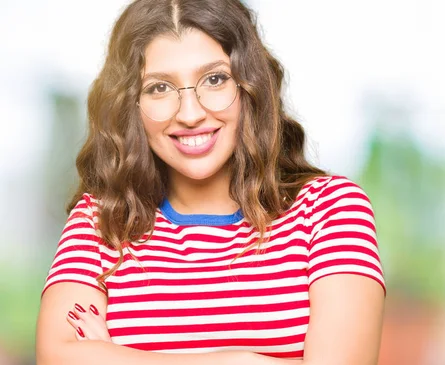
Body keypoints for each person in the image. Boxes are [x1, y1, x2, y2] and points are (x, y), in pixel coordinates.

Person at [35, 0, 385, 364]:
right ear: (130, 105)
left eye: (214, 79)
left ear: (250, 85)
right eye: (159, 88)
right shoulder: (100, 221)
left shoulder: (330, 210)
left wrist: (117, 357)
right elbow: (58, 357)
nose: (190, 114)